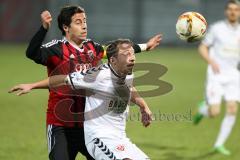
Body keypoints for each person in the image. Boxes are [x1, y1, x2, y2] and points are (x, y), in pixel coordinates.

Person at [24, 5, 161, 160]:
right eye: (78, 22)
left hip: (88, 126)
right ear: (65, 27)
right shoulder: (56, 48)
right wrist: (44, 28)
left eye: (85, 21)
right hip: (60, 125)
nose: (84, 25)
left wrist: (145, 47)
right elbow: (32, 53)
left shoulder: (92, 48)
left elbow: (116, 51)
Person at [9, 39, 153, 160]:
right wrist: (32, 85)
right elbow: (62, 79)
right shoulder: (97, 76)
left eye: (133, 53)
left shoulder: (126, 70)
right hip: (98, 138)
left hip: (120, 138)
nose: (132, 57)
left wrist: (142, 105)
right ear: (113, 60)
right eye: (126, 54)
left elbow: (129, 87)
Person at [193, 0, 240, 156]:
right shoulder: (217, 29)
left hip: (233, 75)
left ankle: (219, 144)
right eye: (230, 9)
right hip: (216, 75)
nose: (233, 12)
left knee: (232, 109)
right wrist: (211, 61)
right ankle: (202, 109)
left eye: (236, 9)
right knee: (214, 112)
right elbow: (202, 47)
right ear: (226, 12)